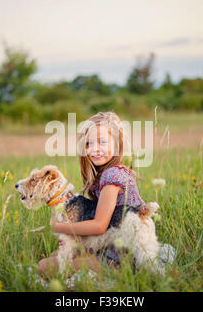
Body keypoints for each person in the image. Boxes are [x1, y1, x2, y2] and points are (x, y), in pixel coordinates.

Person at [37, 111, 146, 278]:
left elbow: (99, 226)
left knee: (44, 267)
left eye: (102, 142)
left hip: (121, 255)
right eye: (88, 143)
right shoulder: (103, 175)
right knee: (54, 257)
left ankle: (117, 276)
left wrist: (60, 228)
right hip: (108, 244)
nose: (95, 149)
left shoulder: (112, 176)